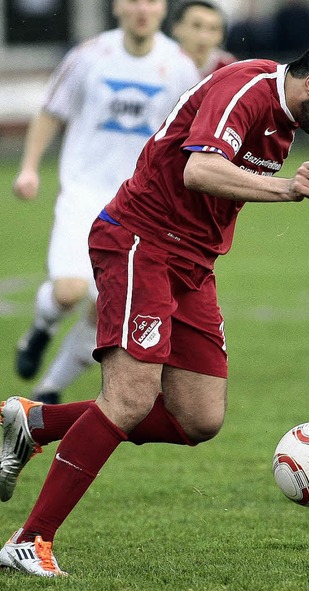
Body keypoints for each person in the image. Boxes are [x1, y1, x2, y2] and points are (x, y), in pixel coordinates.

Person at [0, 37, 309, 577]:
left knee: (199, 417)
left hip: (192, 264)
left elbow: (223, 183)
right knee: (130, 398)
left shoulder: (287, 119)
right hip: (140, 242)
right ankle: (30, 539)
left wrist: (279, 186)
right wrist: (286, 190)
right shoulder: (245, 89)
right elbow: (198, 171)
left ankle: (36, 423)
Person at [13, 0, 200, 405]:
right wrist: (29, 167)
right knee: (68, 291)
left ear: (162, 8)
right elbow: (50, 113)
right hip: (82, 193)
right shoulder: (89, 56)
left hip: (139, 206)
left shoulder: (180, 66)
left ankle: (48, 390)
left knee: (105, 306)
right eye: (132, 0)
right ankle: (41, 328)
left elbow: (185, 139)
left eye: (151, 1)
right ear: (116, 7)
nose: (141, 9)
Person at [171, 0, 237, 78]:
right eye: (196, 25)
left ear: (221, 36)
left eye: (213, 28)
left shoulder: (231, 70)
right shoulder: (161, 62)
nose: (204, 36)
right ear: (176, 28)